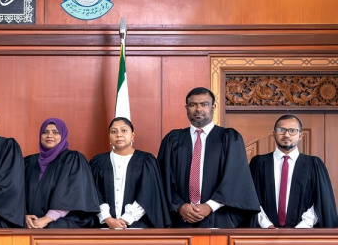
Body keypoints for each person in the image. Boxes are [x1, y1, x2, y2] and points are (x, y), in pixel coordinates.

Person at [157, 87, 259, 228]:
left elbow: (236, 177)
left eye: (204, 104)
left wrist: (210, 206)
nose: (198, 109)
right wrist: (179, 206)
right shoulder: (173, 140)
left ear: (213, 107)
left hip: (219, 216)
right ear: (186, 108)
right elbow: (162, 178)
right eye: (193, 105)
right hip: (180, 219)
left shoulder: (229, 138)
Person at [248, 114, 338, 228]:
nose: (286, 135)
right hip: (263, 232)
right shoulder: (259, 163)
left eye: (292, 131)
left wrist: (301, 227)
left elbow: (323, 200)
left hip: (304, 233)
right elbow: (250, 197)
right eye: (281, 130)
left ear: (300, 135)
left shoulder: (313, 165)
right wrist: (267, 225)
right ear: (274, 134)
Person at [89, 117, 170, 229]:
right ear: (109, 136)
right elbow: (93, 192)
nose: (119, 135)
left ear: (133, 135)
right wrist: (107, 218)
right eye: (113, 131)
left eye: (124, 130)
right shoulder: (98, 162)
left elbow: (149, 193)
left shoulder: (146, 160)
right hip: (104, 225)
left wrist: (126, 219)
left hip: (139, 226)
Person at [24, 117, 100, 228]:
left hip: (64, 221)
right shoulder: (28, 162)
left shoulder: (73, 159)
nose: (49, 135)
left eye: (55, 132)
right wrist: (24, 216)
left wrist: (46, 219)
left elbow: (72, 194)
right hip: (32, 223)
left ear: (63, 136)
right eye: (45, 132)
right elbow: (17, 193)